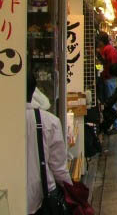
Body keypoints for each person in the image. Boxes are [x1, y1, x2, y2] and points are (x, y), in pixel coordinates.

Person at [26, 72, 73, 215]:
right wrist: (71, 190)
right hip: (42, 196)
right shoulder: (49, 121)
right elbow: (59, 167)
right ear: (34, 90)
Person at [97, 32, 117, 134]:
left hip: (110, 78)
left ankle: (116, 126)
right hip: (111, 78)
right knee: (112, 101)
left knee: (111, 102)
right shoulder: (109, 48)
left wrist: (107, 72)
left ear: (101, 41)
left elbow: (111, 63)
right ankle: (114, 125)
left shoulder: (108, 49)